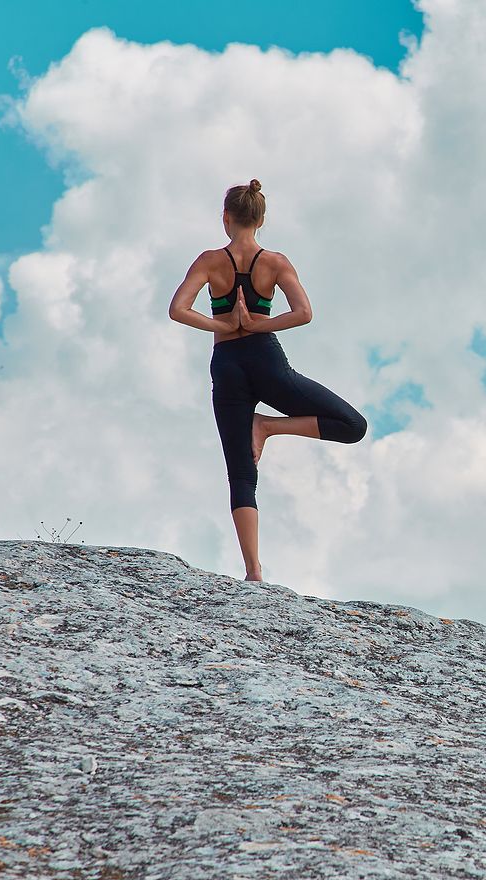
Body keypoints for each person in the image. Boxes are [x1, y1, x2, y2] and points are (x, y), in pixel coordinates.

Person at [168, 179, 367, 582]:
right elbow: (304, 312)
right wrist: (262, 322)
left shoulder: (209, 260)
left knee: (240, 474)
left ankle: (253, 572)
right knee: (353, 426)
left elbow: (177, 309)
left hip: (226, 365)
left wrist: (220, 321)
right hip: (267, 362)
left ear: (226, 218)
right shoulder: (275, 262)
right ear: (260, 219)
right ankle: (271, 426)